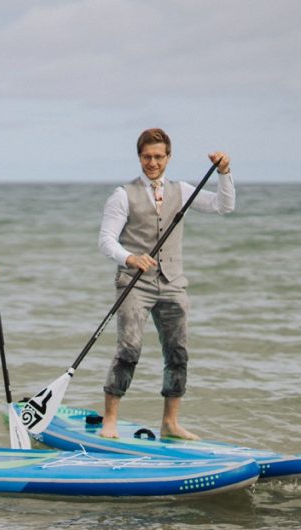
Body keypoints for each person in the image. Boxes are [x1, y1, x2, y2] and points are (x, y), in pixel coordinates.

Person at [97, 128, 234, 440]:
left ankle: (170, 423)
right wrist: (129, 258)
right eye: (147, 156)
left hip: (173, 283)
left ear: (168, 158)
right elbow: (105, 241)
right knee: (128, 350)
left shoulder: (181, 190)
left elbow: (223, 206)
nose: (153, 162)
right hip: (134, 284)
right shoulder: (123, 194)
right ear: (139, 157)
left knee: (177, 352)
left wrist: (224, 173)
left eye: (159, 157)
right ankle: (110, 421)